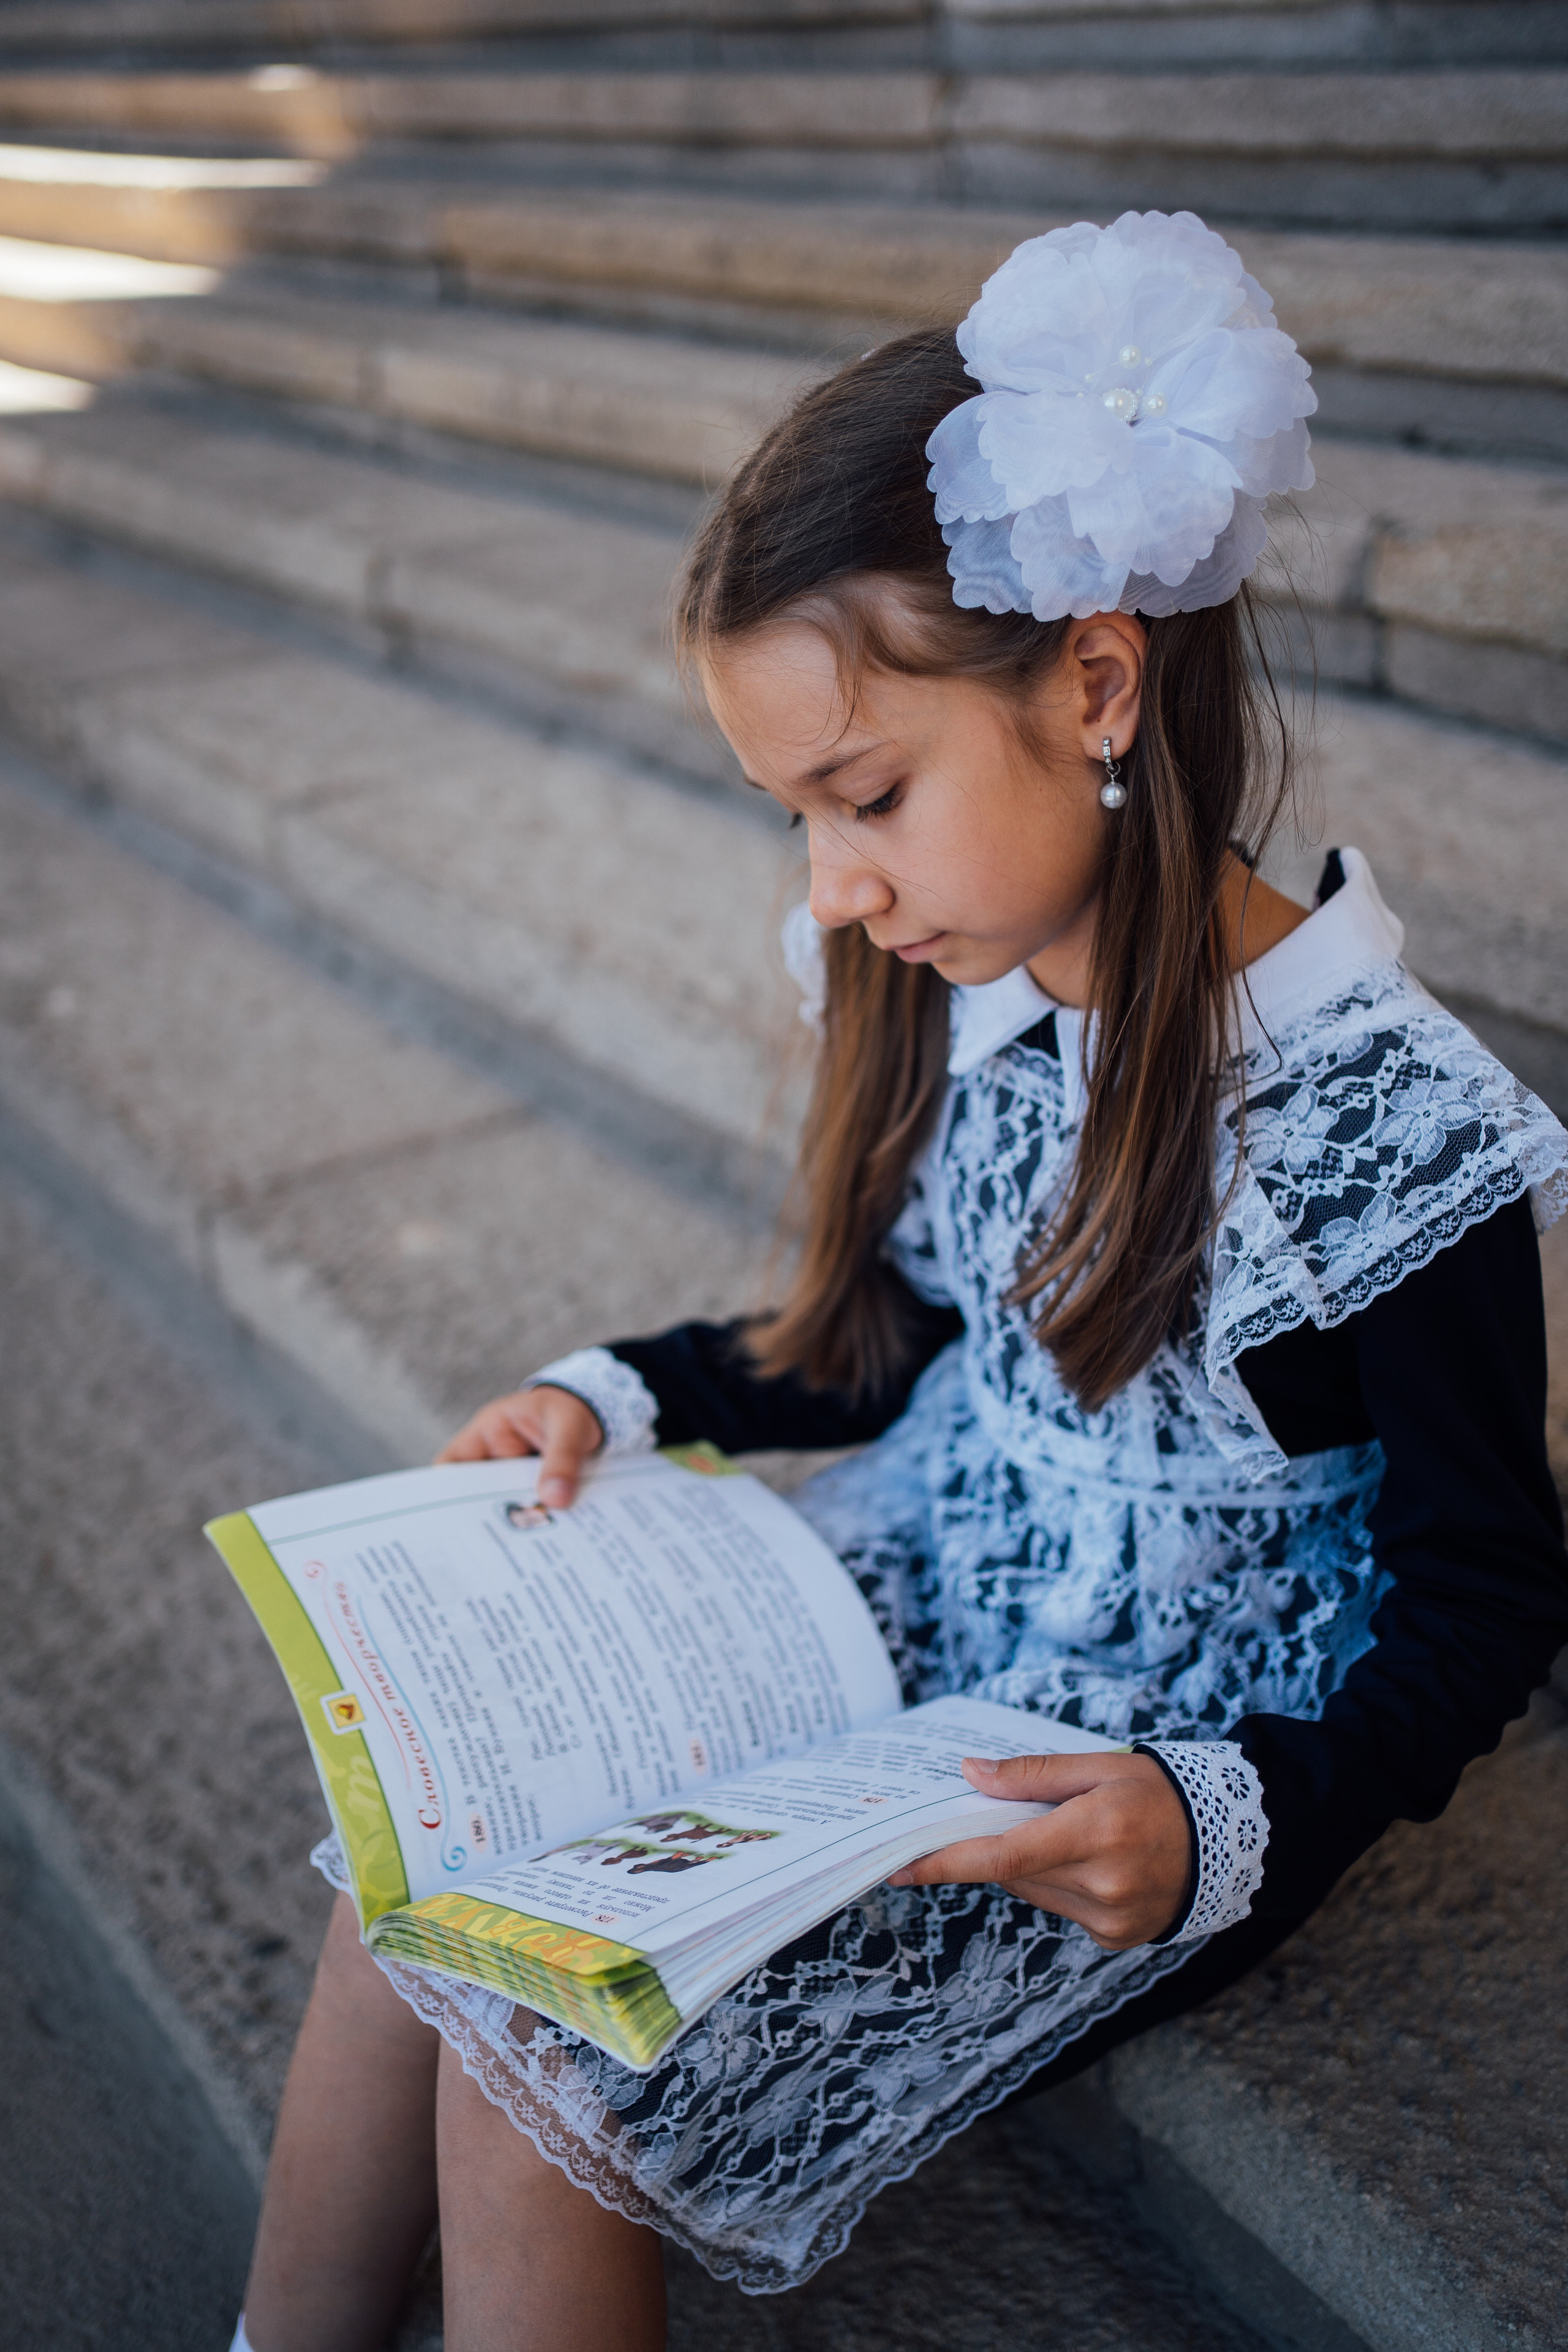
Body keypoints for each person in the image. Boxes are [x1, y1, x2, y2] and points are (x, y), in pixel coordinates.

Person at [230, 213, 1568, 2352]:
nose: (836, 886)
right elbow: (900, 1345)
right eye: (794, 821)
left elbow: (1493, 1592)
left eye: (865, 796)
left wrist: (1227, 1828)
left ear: (1100, 684)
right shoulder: (957, 987)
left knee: (535, 2067)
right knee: (423, 1878)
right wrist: (618, 1385)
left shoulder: (1382, 1135)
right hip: (912, 1581)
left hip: (1124, 1760)